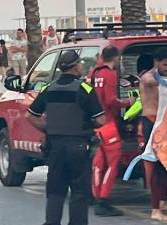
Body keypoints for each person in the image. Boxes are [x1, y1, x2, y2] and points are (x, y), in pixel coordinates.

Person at [25, 50, 106, 225]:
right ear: (75, 67)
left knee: (55, 190)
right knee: (79, 191)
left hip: (54, 146)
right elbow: (101, 119)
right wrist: (86, 124)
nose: (82, 66)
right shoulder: (85, 88)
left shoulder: (49, 88)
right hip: (78, 146)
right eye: (80, 63)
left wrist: (48, 129)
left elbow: (30, 115)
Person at [88, 46, 135, 217]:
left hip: (96, 124)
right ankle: (104, 199)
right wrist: (127, 102)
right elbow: (110, 101)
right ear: (115, 58)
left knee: (98, 164)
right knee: (112, 163)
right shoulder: (110, 73)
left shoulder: (94, 73)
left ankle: (96, 196)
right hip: (108, 124)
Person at [139, 47, 167, 221]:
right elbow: (152, 81)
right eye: (165, 64)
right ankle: (155, 208)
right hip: (150, 122)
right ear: (156, 62)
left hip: (164, 123)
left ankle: (163, 201)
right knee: (156, 167)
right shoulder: (148, 77)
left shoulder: (166, 78)